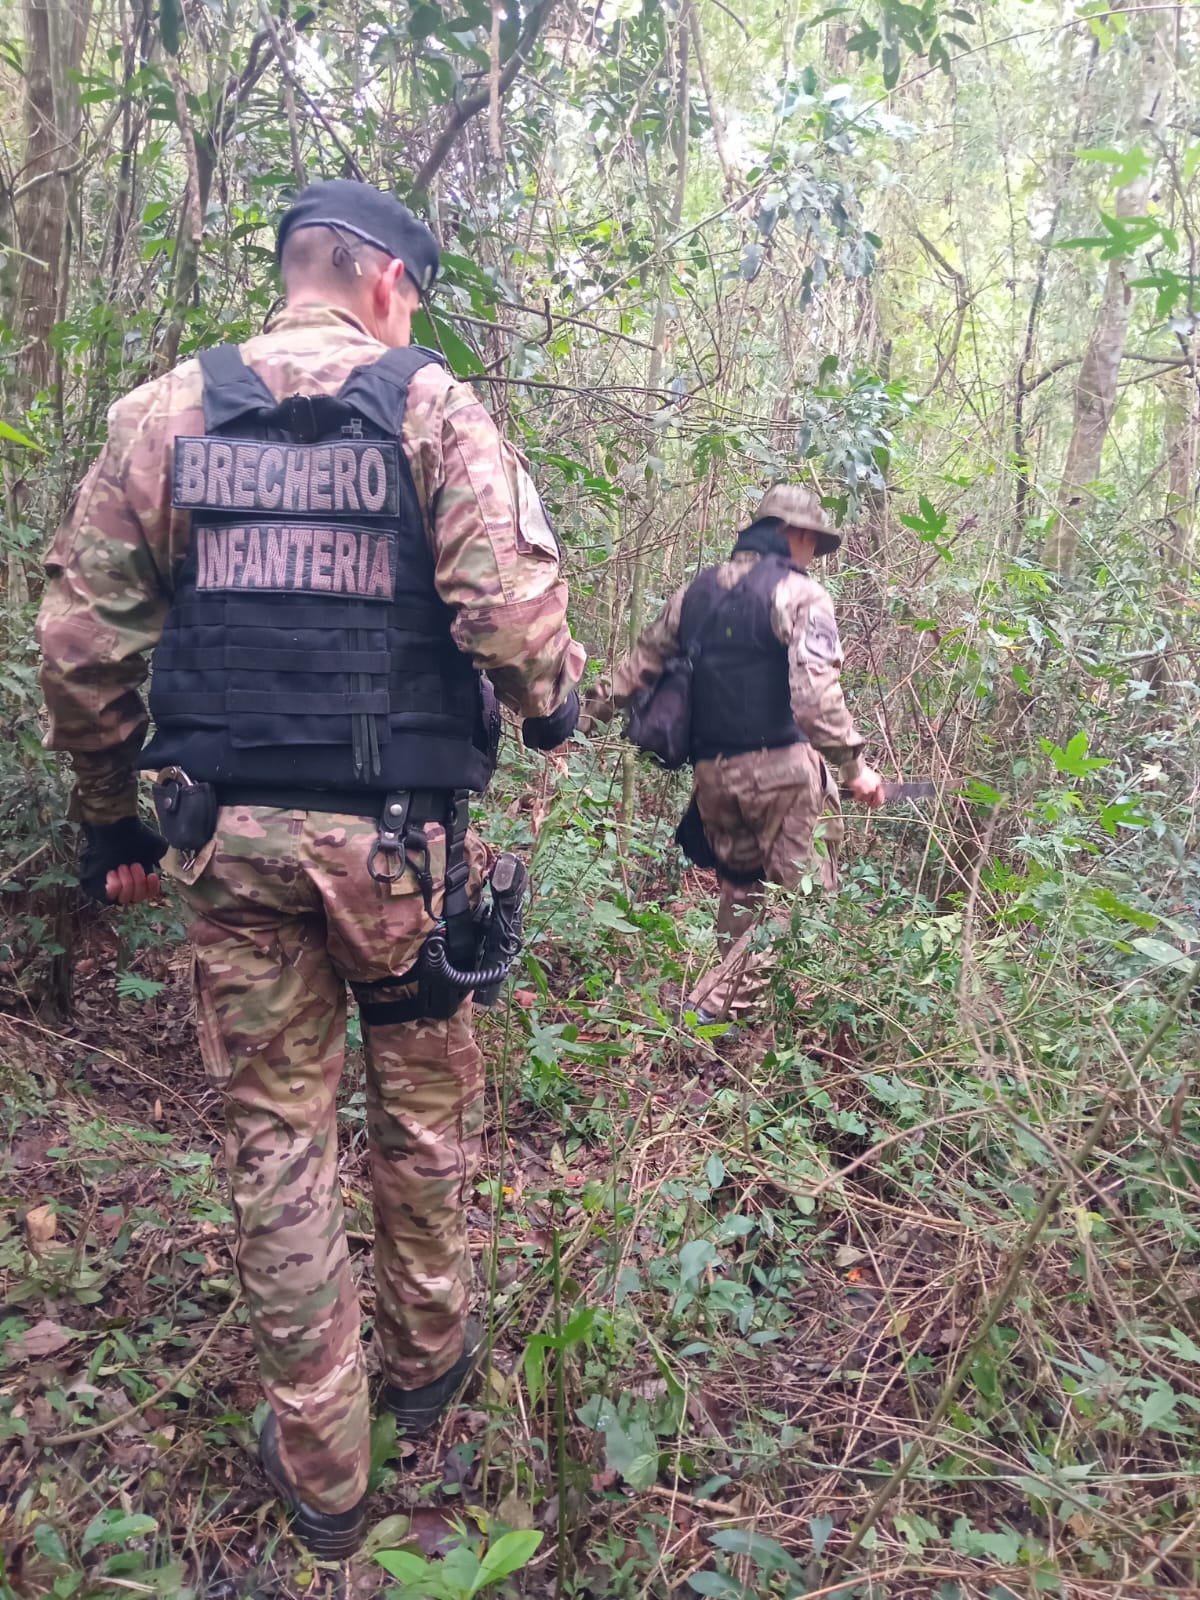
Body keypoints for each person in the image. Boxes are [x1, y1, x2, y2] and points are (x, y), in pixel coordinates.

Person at [37, 179, 584, 1559]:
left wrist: (109, 820)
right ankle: (428, 1366)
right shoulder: (433, 409)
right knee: (422, 1112)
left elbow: (82, 649)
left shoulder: (167, 414)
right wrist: (555, 702)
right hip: (400, 855)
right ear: (389, 282)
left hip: (232, 847)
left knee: (279, 1140)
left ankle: (325, 1464)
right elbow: (513, 623)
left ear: (296, 270)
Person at [586, 484, 885, 1025]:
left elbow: (635, 670)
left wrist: (580, 719)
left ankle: (729, 1025)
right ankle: (711, 1010)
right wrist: (853, 767)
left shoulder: (695, 593)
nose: (813, 555)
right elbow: (814, 698)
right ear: (792, 533)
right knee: (801, 903)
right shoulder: (800, 595)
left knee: (742, 893)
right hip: (782, 773)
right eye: (812, 543)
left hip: (714, 778)